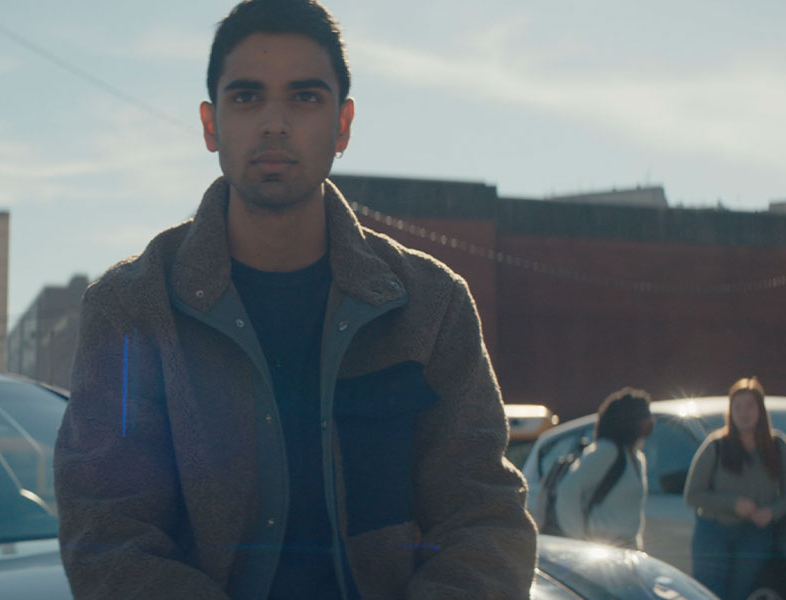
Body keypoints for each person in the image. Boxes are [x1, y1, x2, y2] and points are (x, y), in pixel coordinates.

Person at [53, 1, 537, 598]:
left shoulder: (429, 305)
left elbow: (484, 518)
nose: (274, 123)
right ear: (211, 125)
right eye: (247, 97)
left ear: (343, 125)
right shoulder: (132, 308)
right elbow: (107, 533)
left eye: (305, 97)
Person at [684, 376, 786, 600]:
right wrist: (733, 503)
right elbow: (692, 495)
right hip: (714, 533)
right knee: (709, 594)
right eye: (737, 407)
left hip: (756, 535)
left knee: (741, 593)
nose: (743, 413)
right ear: (730, 412)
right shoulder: (716, 445)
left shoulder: (777, 446)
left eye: (750, 406)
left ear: (760, 410)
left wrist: (772, 511)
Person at [553, 387, 653, 549]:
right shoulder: (607, 452)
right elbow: (568, 489)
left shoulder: (636, 457)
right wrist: (577, 539)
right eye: (645, 416)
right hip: (601, 550)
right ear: (629, 420)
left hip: (626, 550)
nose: (650, 422)